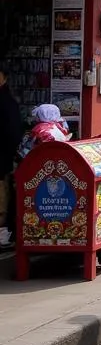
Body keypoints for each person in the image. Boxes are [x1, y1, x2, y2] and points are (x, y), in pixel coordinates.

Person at [0, 65, 22, 248]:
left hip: (2, 159)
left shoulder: (7, 103)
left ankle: (2, 233)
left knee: (2, 195)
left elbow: (13, 133)